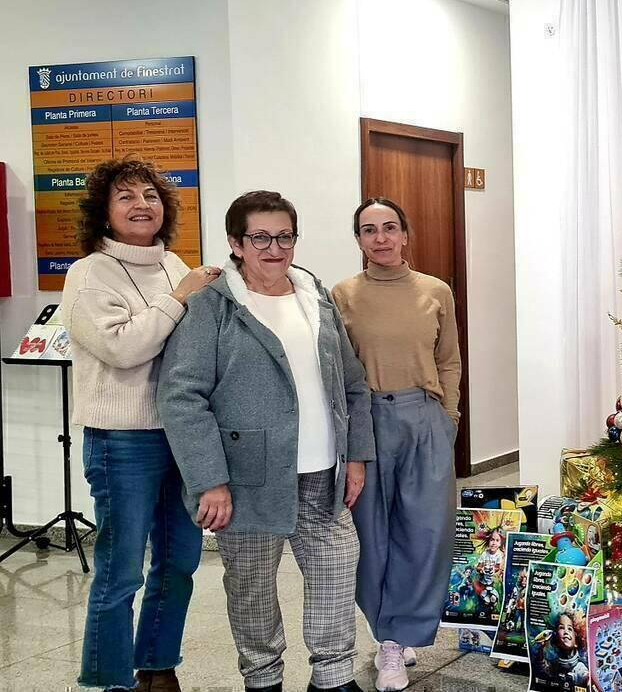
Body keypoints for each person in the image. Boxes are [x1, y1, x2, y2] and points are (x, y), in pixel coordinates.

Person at [157, 191, 374, 692]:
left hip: (323, 474)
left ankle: (333, 678)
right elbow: (182, 397)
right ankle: (262, 679)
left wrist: (356, 456)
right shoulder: (212, 306)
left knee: (336, 572)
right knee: (252, 589)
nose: (274, 249)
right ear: (236, 243)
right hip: (245, 479)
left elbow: (353, 382)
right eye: (260, 237)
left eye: (284, 236)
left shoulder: (314, 295)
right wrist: (210, 480)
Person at [61, 157, 219, 692]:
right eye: (126, 196)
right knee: (121, 569)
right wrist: (179, 300)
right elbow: (123, 348)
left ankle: (157, 665)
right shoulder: (88, 274)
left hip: (182, 434)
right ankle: (111, 680)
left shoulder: (175, 264)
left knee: (179, 561)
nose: (141, 204)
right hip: (122, 439)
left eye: (150, 195)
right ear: (103, 212)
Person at [331, 197, 462, 692]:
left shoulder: (436, 291)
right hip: (367, 422)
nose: (381, 237)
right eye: (369, 230)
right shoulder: (342, 295)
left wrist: (447, 418)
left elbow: (449, 359)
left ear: (406, 235)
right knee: (370, 535)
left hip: (424, 417)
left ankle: (401, 629)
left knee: (425, 531)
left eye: (390, 228)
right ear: (359, 240)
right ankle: (388, 636)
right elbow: (339, 372)